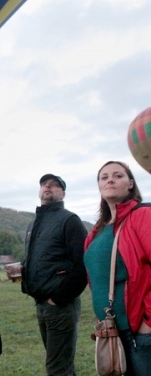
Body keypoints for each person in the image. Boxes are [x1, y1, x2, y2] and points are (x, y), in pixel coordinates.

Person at [84, 161, 151, 375]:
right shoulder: (97, 230)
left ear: (130, 183)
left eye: (117, 175)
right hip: (111, 331)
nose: (110, 179)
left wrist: (148, 322)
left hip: (140, 334)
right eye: (104, 177)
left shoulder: (142, 215)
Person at [21, 174, 88, 376]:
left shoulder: (70, 220)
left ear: (63, 193)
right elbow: (42, 259)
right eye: (44, 184)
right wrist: (22, 269)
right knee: (61, 365)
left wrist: (58, 298)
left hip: (60, 305)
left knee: (57, 368)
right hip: (41, 303)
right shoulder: (33, 224)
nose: (47, 186)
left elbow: (83, 265)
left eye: (54, 185)